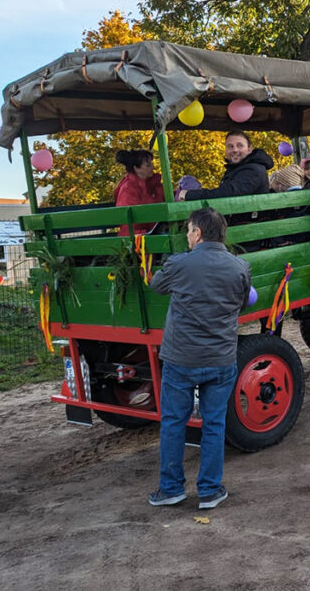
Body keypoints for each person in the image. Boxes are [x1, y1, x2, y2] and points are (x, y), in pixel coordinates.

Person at [147, 207, 251, 510]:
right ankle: (209, 491)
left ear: (198, 233)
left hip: (181, 359)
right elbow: (241, 304)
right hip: (220, 358)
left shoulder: (179, 264)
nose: (187, 236)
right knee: (214, 424)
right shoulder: (240, 266)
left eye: (188, 231)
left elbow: (156, 285)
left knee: (173, 423)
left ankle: (170, 489)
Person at [176, 131, 272, 201]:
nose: (235, 150)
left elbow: (229, 193)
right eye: (230, 146)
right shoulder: (236, 169)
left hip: (247, 224)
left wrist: (190, 195)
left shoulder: (254, 170)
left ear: (249, 150)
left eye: (240, 146)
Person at [113, 149, 165, 236]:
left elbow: (167, 197)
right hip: (136, 236)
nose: (152, 167)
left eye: (151, 164)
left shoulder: (154, 184)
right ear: (136, 168)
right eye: (148, 165)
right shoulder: (128, 189)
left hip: (154, 231)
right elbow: (131, 219)